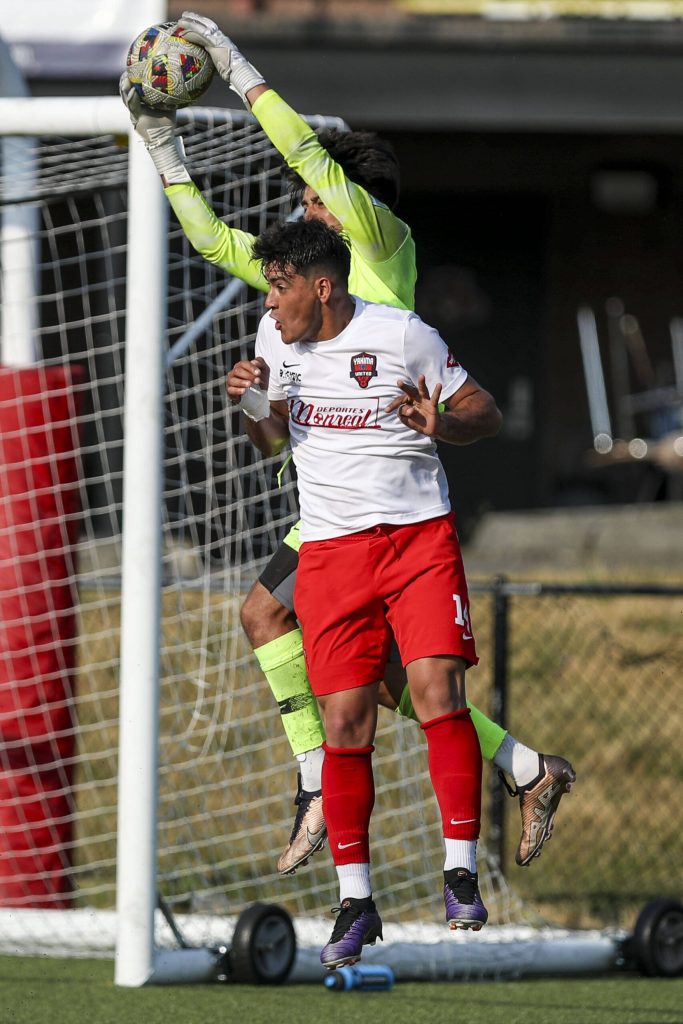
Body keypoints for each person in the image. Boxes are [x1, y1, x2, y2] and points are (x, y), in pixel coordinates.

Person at [119, 11, 576, 877]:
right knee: (377, 674)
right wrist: (160, 148)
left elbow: (309, 157)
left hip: (385, 502)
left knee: (268, 616)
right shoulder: (307, 276)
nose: (302, 205)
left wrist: (236, 61)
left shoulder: (376, 240)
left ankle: (318, 782)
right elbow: (215, 241)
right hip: (333, 498)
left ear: (350, 201)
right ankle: (522, 766)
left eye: (313, 195)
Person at [227, 217, 501, 966]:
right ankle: (356, 901)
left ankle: (460, 875)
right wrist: (252, 403)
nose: (271, 302)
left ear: (321, 287)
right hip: (332, 554)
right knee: (344, 721)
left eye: (280, 286)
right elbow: (273, 440)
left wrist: (439, 419)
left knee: (436, 690)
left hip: (416, 540)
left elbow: (486, 410)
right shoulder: (273, 340)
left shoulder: (402, 334)